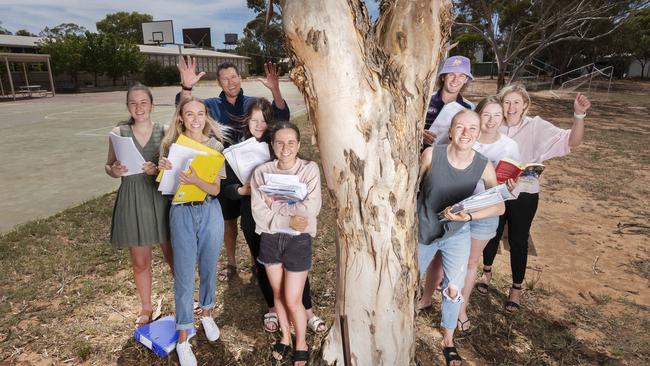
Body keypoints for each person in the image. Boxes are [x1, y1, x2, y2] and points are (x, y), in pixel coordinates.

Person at [479, 84, 591, 312]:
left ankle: (516, 289)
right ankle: (486, 273)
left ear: (525, 106)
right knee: (491, 233)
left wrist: (579, 115)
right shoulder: (492, 123)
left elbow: (572, 141)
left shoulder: (536, 126)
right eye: (506, 102)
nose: (510, 108)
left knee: (519, 241)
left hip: (525, 194)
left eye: (516, 103)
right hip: (496, 190)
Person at [177, 57, 290, 279]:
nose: (231, 82)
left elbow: (281, 116)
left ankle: (255, 260)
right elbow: (185, 109)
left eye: (234, 77)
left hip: (253, 175)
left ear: (240, 78)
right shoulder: (211, 105)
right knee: (229, 223)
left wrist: (275, 89)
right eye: (225, 79)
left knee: (253, 221)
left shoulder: (253, 103)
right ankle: (231, 262)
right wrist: (187, 87)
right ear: (219, 83)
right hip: (225, 173)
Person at [220, 99, 326, 335]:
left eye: (264, 120)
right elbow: (226, 187)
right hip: (255, 215)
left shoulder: (278, 145)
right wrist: (246, 190)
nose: (259, 124)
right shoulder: (234, 149)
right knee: (264, 263)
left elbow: (304, 201)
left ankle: (306, 310)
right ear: (247, 120)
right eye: (255, 119)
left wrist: (278, 206)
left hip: (289, 220)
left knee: (295, 265)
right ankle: (272, 307)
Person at [417, 96, 520, 332]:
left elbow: (500, 205)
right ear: (451, 131)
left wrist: (469, 217)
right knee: (416, 273)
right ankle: (416, 304)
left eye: (472, 128)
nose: (466, 132)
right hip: (426, 226)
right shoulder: (432, 155)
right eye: (460, 127)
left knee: (458, 275)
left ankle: (449, 333)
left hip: (461, 227)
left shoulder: (485, 164)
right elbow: (416, 186)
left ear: (478, 131)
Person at [158, 97, 228, 366]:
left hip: (209, 210)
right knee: (184, 274)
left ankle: (207, 313)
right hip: (181, 211)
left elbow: (216, 190)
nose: (196, 119)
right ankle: (184, 336)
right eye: (190, 114)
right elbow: (165, 186)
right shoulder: (171, 146)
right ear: (181, 119)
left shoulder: (215, 146)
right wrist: (164, 170)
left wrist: (197, 180)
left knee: (209, 266)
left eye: (201, 114)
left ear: (206, 117)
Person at [250, 121, 322, 366]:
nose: (285, 147)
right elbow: (259, 213)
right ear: (272, 145)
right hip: (270, 239)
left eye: (291, 142)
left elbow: (310, 210)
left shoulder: (309, 170)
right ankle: (285, 337)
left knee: (293, 298)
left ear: (298, 144)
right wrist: (291, 216)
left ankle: (301, 342)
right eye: (279, 142)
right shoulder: (261, 173)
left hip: (298, 242)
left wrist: (276, 207)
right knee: (278, 295)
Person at [105, 83, 173, 328]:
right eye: (133, 103)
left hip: (159, 197)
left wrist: (157, 170)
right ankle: (146, 307)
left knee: (173, 256)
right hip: (133, 198)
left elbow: (172, 168)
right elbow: (109, 165)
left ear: (152, 105)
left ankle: (184, 299)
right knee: (140, 261)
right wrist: (114, 170)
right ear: (127, 106)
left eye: (143, 102)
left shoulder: (164, 131)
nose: (139, 107)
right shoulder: (118, 132)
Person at [423, 55, 475, 148]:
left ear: (466, 79)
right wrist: (420, 134)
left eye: (461, 75)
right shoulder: (425, 100)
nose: (455, 80)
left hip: (449, 158)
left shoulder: (469, 108)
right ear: (443, 77)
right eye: (451, 74)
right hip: (419, 153)